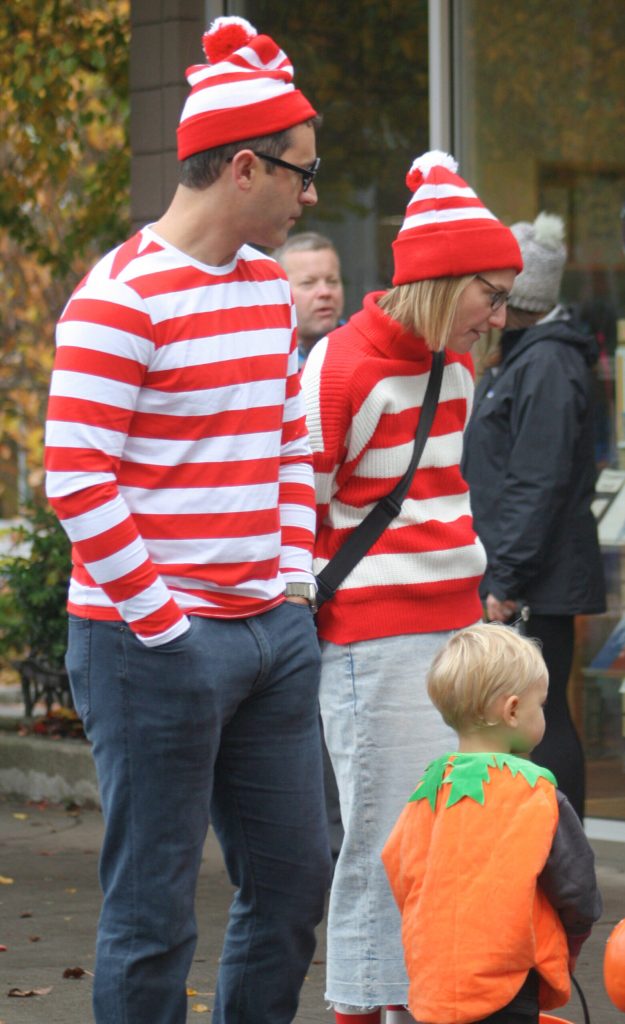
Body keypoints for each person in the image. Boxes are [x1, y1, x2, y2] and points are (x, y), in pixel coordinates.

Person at [44, 15, 331, 1024]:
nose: (310, 193)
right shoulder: (118, 299)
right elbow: (75, 476)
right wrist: (167, 627)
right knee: (153, 915)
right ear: (243, 167)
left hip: (270, 631)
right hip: (147, 642)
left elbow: (289, 442)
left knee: (297, 879)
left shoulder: (264, 291)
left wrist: (292, 586)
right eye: (301, 172)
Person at [301, 149, 523, 1024]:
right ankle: (362, 1004)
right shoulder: (340, 368)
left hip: (453, 631)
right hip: (368, 641)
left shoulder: (454, 366)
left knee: (442, 835)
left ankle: (418, 1003)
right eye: (489, 295)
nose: (498, 317)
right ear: (439, 283)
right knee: (381, 840)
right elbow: (297, 514)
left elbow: (443, 498)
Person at [382, 623, 602, 1024]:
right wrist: (573, 937)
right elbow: (577, 887)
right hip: (510, 976)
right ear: (514, 710)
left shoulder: (429, 788)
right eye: (542, 705)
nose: (543, 715)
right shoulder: (536, 792)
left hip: (433, 974)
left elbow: (398, 865)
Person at [462, 212, 606, 822]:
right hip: (526, 572)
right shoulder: (528, 356)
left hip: (533, 579)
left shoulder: (546, 364)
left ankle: (558, 843)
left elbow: (537, 482)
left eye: (498, 295)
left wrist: (507, 580)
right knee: (528, 712)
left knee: (541, 717)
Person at [274, 231, 345, 366]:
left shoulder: (363, 349)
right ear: (279, 291)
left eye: (332, 281)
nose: (325, 292)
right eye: (308, 283)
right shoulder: (263, 355)